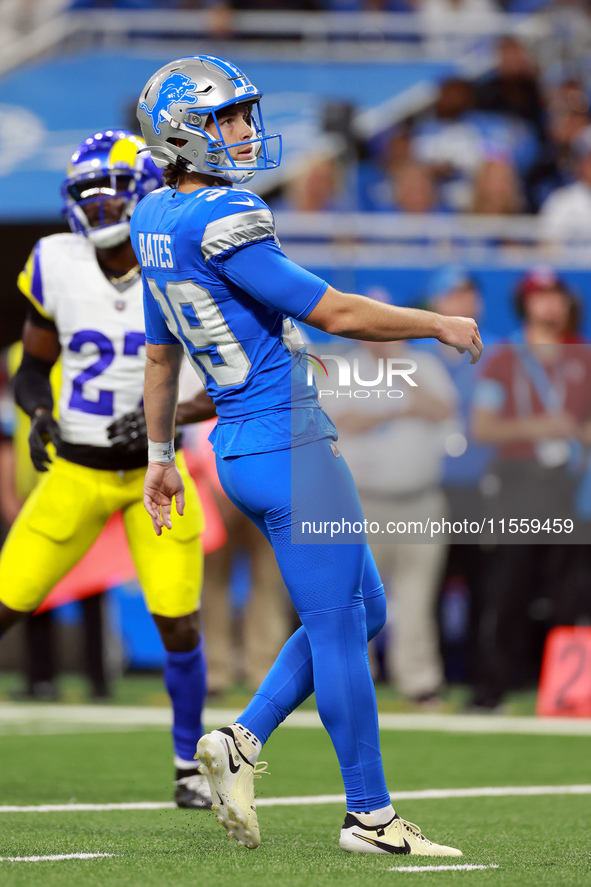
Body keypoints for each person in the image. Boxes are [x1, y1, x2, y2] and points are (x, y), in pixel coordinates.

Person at [134, 54, 482, 856]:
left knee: (367, 609)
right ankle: (371, 815)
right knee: (336, 627)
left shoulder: (154, 217)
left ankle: (243, 738)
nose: (247, 131)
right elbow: (336, 311)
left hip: (238, 446)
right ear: (188, 131)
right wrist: (434, 321)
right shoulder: (227, 215)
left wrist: (160, 455)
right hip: (290, 443)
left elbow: (161, 358)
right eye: (228, 118)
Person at [0, 130, 211, 809]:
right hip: (78, 470)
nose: (96, 208)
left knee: (178, 624)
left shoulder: (181, 263)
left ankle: (188, 765)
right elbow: (33, 368)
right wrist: (37, 414)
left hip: (158, 474)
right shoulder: (54, 261)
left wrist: (168, 419)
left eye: (109, 193)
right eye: (86, 196)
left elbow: (233, 378)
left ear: (144, 192)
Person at [469, 267, 591, 709]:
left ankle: (565, 690)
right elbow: (482, 427)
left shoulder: (583, 355)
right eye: (540, 295)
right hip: (519, 481)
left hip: (569, 484)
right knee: (508, 587)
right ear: (526, 303)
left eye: (556, 294)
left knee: (570, 592)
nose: (550, 303)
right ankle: (493, 688)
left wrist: (578, 432)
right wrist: (543, 425)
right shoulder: (505, 357)